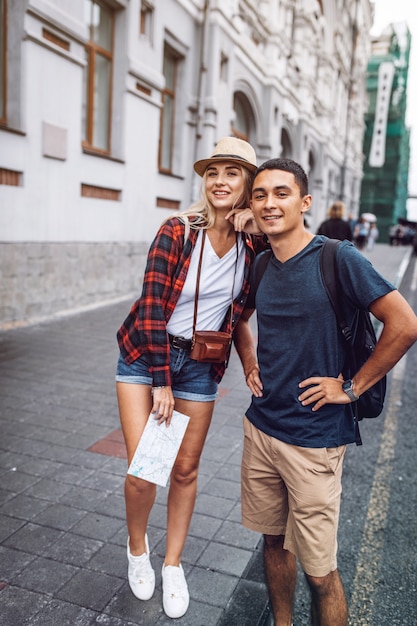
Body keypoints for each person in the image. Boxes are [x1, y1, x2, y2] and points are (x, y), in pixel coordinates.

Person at [233, 157, 417, 626]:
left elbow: (404, 324)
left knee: (321, 572)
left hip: (314, 441)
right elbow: (239, 320)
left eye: (281, 193)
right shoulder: (260, 265)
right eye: (260, 195)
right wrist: (249, 361)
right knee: (272, 542)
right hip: (261, 431)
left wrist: (351, 388)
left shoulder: (338, 258)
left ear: (304, 202)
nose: (269, 203)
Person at [115, 137, 266, 619]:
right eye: (213, 172)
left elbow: (238, 314)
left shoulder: (252, 246)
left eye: (233, 173)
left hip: (200, 364)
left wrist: (250, 362)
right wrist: (161, 381)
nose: (220, 181)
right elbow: (155, 307)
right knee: (147, 468)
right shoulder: (177, 230)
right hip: (146, 359)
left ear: (247, 183)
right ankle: (137, 549)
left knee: (185, 469)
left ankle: (173, 563)